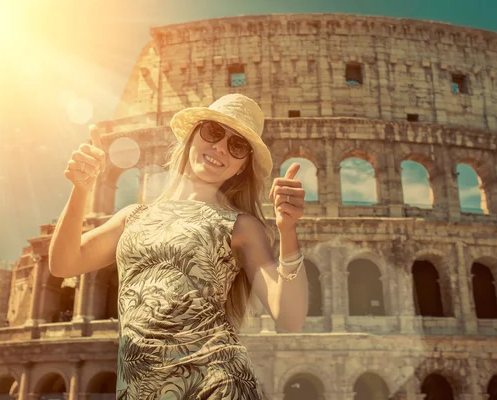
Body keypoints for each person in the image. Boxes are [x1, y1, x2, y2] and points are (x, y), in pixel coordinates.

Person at [49, 93, 309, 399]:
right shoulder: (132, 217)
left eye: (237, 146)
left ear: (242, 167)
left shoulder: (241, 225)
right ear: (192, 135)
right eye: (213, 132)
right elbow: (64, 263)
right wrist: (81, 189)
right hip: (142, 386)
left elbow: (290, 317)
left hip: (215, 384)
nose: (220, 148)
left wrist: (287, 230)